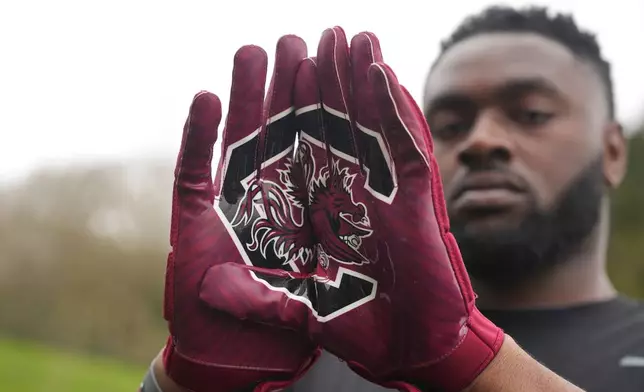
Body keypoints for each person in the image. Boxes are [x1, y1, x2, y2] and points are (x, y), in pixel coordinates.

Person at [142, 5, 644, 392]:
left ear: (614, 151)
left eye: (531, 114)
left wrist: (482, 369)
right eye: (449, 125)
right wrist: (182, 383)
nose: (481, 141)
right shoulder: (305, 346)